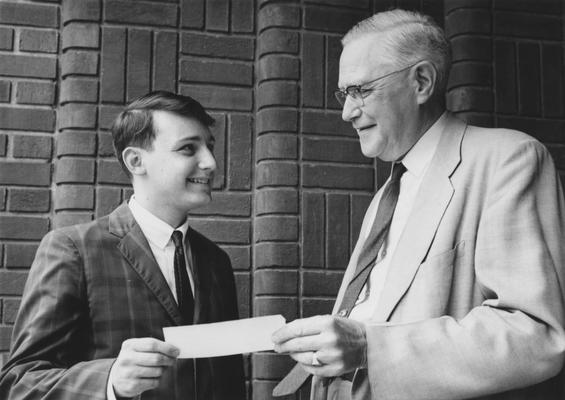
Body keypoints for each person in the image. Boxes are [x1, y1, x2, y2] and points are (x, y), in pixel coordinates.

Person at [272, 9, 565, 400]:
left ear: (422, 82)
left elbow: (535, 334)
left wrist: (368, 346)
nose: (347, 112)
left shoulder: (510, 159)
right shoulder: (383, 198)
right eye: (345, 94)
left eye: (361, 90)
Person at [0, 91, 245, 400]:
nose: (210, 162)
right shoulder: (74, 249)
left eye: (209, 146)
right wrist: (109, 380)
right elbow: (18, 383)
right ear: (135, 160)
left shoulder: (216, 261)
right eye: (188, 148)